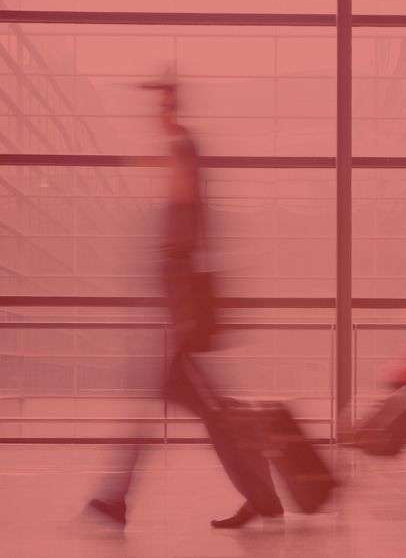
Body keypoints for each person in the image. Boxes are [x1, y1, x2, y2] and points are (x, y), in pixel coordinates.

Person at [88, 71, 284, 528]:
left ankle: (262, 496)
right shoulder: (182, 189)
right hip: (176, 321)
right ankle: (118, 498)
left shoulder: (186, 172)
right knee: (201, 413)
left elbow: (188, 253)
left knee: (217, 415)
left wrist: (182, 321)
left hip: (181, 324)